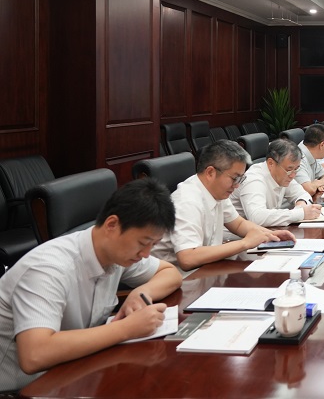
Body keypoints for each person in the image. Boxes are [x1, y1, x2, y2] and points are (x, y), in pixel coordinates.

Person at [0, 178, 182, 391]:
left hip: (75, 371)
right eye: (143, 243)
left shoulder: (115, 252)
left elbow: (170, 273)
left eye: (153, 244)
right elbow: (35, 355)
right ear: (112, 225)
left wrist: (141, 292)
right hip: (22, 387)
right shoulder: (47, 269)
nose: (146, 254)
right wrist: (127, 328)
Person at [151, 140, 295, 271]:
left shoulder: (217, 191)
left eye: (241, 179)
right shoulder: (187, 201)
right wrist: (245, 243)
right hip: (179, 277)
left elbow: (238, 224)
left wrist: (268, 235)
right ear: (210, 172)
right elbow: (188, 258)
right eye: (235, 178)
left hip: (206, 269)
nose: (237, 185)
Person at [230, 138, 322, 226]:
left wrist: (301, 204)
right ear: (271, 163)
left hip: (263, 231)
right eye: (289, 169)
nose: (293, 175)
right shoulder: (253, 180)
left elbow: (302, 194)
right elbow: (257, 217)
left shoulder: (285, 174)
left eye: (296, 169)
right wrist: (300, 214)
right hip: (237, 236)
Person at [296, 123, 324, 195]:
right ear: (322, 145)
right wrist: (315, 185)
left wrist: (319, 183)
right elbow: (309, 190)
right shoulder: (297, 158)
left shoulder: (312, 155)